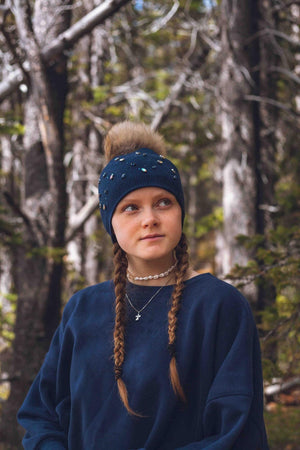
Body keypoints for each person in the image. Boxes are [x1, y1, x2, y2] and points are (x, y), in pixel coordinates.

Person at [17, 121, 269, 449]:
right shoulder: (83, 309)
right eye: (131, 208)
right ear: (112, 223)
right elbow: (41, 414)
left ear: (180, 212)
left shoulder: (219, 306)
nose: (149, 218)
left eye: (163, 202)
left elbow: (236, 433)